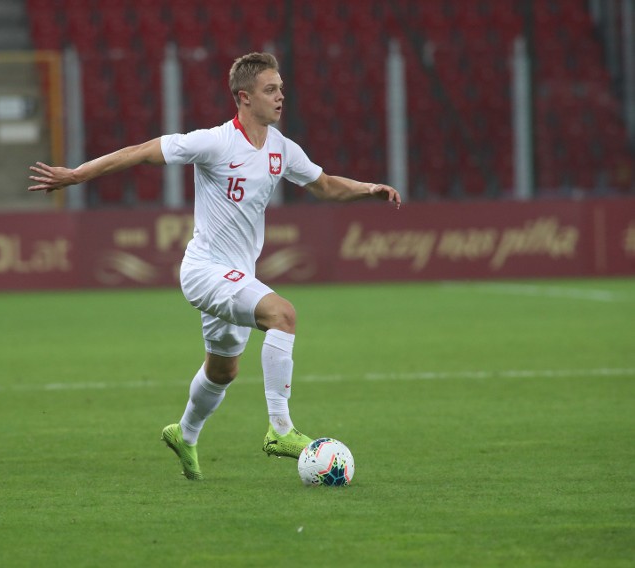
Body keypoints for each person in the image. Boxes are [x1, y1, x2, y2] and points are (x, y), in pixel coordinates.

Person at [28, 52, 401, 481]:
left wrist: (368, 188)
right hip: (204, 269)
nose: (281, 97)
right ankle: (280, 429)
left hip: (238, 275)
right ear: (244, 98)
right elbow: (143, 151)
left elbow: (326, 185)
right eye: (270, 90)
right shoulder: (216, 142)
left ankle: (184, 434)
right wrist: (76, 176)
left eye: (281, 88)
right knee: (283, 314)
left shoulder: (281, 148)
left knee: (223, 370)